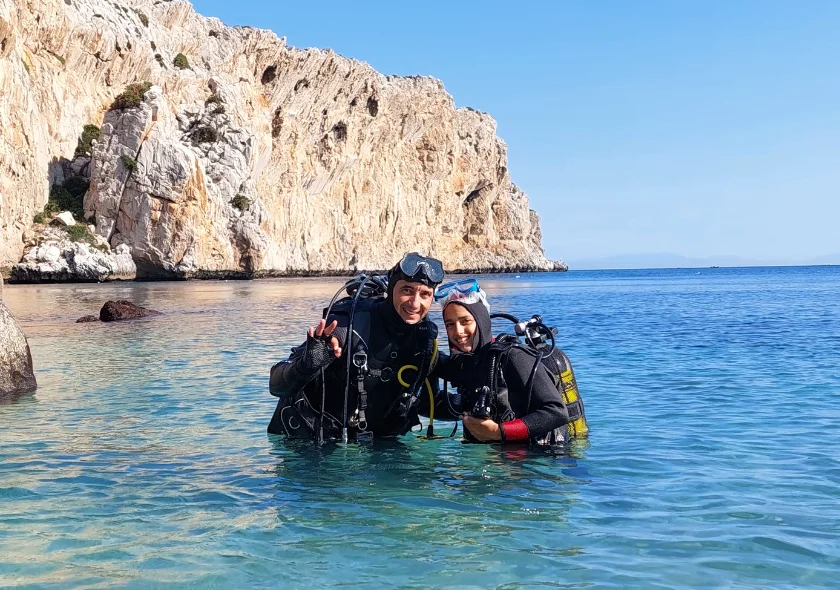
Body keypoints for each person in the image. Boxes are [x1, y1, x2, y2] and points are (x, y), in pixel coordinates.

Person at [267, 253, 446, 443]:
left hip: (374, 447)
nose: (415, 303)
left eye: (425, 294)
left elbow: (428, 403)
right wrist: (306, 366)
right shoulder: (348, 326)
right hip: (309, 443)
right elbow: (276, 385)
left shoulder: (424, 341)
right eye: (407, 290)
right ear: (392, 289)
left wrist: (470, 406)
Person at [436, 278, 587, 445]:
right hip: (502, 462)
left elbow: (557, 412)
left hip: (545, 459)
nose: (458, 331)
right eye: (450, 324)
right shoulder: (466, 364)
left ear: (481, 321)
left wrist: (498, 432)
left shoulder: (513, 357)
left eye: (465, 321)